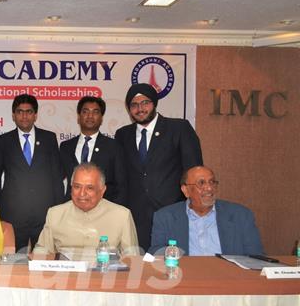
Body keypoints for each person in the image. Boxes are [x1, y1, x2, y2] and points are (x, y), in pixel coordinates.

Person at [114, 83, 203, 251]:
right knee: (139, 269)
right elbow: (121, 176)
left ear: (154, 103)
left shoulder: (179, 128)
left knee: (173, 266)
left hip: (172, 212)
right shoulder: (122, 134)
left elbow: (194, 172)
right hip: (135, 216)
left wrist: (193, 206)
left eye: (145, 103)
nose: (140, 108)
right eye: (134, 105)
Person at [0, 94, 66, 252]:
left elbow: (56, 177)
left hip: (44, 215)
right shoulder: (3, 141)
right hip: (13, 215)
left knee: (45, 263)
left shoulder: (49, 138)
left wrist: (59, 210)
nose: (24, 116)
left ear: (35, 115)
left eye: (29, 112)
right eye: (20, 112)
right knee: (13, 264)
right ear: (13, 115)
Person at [149, 166, 264, 256]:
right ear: (185, 190)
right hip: (185, 279)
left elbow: (255, 256)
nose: (209, 188)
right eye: (201, 183)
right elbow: (156, 252)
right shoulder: (165, 216)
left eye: (212, 182)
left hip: (230, 280)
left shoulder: (240, 215)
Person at [36, 163, 138, 254]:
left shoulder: (122, 215)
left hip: (105, 273)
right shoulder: (55, 214)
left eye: (90, 188)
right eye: (77, 187)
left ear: (102, 190)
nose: (82, 193)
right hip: (65, 274)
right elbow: (41, 253)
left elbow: (132, 260)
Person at [59, 95, 127, 205]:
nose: (90, 116)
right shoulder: (66, 146)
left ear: (101, 118)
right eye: (85, 111)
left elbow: (121, 185)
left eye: (95, 112)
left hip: (103, 211)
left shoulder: (114, 146)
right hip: (71, 210)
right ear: (78, 116)